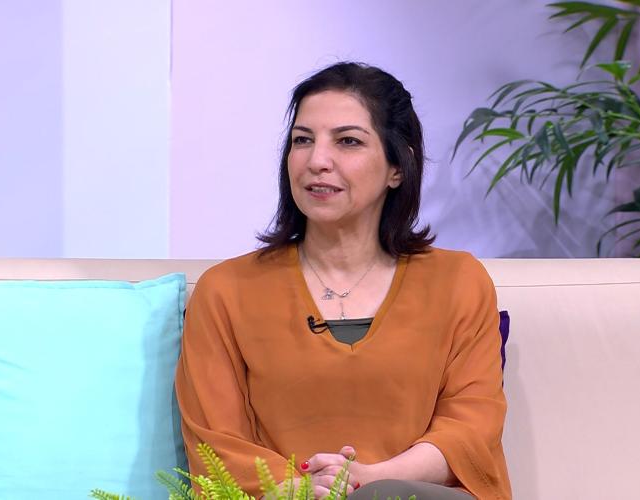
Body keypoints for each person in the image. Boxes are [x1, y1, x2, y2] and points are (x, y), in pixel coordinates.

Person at [175, 62, 511, 499]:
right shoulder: (226, 291)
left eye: (348, 141)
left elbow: (471, 429)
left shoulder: (458, 281)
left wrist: (368, 480)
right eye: (302, 140)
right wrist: (305, 488)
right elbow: (216, 446)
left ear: (397, 166)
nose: (317, 161)